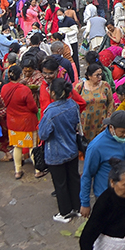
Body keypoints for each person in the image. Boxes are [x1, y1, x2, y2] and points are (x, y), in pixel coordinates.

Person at [37, 76, 81, 222]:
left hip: (56, 153)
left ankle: (65, 212)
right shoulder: (73, 105)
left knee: (60, 183)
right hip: (72, 148)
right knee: (74, 179)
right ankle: (78, 207)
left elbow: (43, 134)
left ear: (54, 93)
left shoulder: (50, 112)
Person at [80, 110, 125, 216]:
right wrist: (85, 203)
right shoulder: (96, 147)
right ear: (111, 128)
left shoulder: (124, 138)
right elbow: (87, 175)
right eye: (122, 132)